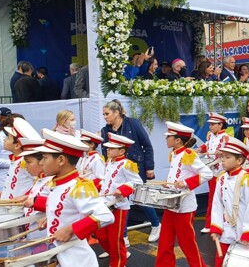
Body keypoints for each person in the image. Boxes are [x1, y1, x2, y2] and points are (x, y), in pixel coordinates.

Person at [29, 128, 114, 267]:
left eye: (44, 158)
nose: (40, 163)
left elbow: (106, 216)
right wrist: (51, 217)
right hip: (62, 257)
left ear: (61, 160)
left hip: (78, 260)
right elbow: (67, 209)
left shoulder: (78, 187)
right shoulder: (57, 183)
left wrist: (71, 229)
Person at [101, 99, 161, 244]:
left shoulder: (132, 123)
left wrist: (150, 167)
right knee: (120, 201)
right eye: (103, 114)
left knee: (140, 198)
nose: (105, 117)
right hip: (117, 169)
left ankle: (156, 224)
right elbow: (105, 151)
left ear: (117, 112)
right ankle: (124, 236)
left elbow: (147, 145)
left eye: (107, 113)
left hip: (135, 166)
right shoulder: (105, 130)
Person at [157, 122, 212, 267]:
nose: (166, 139)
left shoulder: (188, 155)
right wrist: (167, 182)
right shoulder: (175, 154)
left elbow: (208, 173)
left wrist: (186, 183)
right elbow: (178, 175)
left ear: (177, 140)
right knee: (164, 241)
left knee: (187, 243)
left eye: (169, 136)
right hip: (171, 204)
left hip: (184, 207)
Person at [95, 133, 144, 266]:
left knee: (115, 238)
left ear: (122, 151)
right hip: (104, 203)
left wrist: (122, 190)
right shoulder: (108, 161)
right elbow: (106, 180)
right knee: (100, 234)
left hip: (118, 207)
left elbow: (137, 182)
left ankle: (118, 262)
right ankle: (119, 253)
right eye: (108, 148)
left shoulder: (127, 164)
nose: (108, 150)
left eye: (111, 148)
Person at [210, 137, 249, 267]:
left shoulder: (247, 179)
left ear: (239, 161)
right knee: (222, 262)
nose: (223, 160)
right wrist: (216, 227)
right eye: (222, 157)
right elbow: (217, 205)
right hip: (226, 230)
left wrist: (248, 231)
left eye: (227, 157)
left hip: (243, 231)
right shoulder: (221, 178)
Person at [198, 112, 231, 234]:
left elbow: (230, 151)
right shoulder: (210, 136)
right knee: (213, 197)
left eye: (213, 124)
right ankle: (212, 223)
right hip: (212, 171)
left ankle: (215, 223)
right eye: (210, 124)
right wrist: (200, 148)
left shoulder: (226, 137)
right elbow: (206, 145)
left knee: (219, 197)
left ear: (220, 125)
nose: (210, 127)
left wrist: (221, 151)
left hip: (221, 171)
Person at [16, 138, 50, 240]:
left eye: (28, 162)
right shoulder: (40, 179)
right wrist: (26, 197)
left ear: (42, 162)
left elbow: (62, 205)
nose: (25, 167)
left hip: (44, 234)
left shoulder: (52, 181)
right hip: (34, 232)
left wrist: (35, 202)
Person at [0, 117, 40, 199]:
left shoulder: (26, 162)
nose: (5, 139)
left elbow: (39, 184)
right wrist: (4, 195)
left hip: (19, 209)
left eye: (8, 138)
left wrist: (26, 196)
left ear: (17, 145)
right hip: (10, 208)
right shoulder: (16, 159)